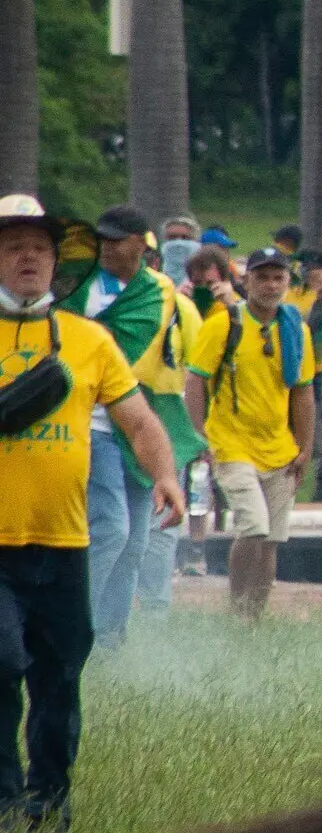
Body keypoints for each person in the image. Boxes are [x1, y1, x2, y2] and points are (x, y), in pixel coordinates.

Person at [1, 197, 181, 833]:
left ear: (56, 263)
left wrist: (164, 473)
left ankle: (48, 801)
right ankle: (3, 801)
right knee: (1, 662)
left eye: (40, 248)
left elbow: (137, 419)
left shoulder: (88, 339)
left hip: (64, 542)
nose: (28, 257)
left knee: (59, 677)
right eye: (14, 246)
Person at [64, 208, 179, 643]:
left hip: (129, 422)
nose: (107, 247)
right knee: (111, 528)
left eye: (117, 239)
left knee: (135, 541)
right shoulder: (78, 275)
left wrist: (86, 333)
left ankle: (110, 636)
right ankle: (76, 626)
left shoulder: (153, 292)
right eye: (103, 239)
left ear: (141, 244)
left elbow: (114, 348)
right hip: (88, 423)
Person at [184, 249, 318, 623]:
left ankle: (254, 621)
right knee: (254, 528)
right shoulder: (223, 324)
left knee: (273, 539)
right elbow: (195, 380)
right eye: (262, 277)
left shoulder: (296, 329)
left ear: (288, 283)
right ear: (246, 282)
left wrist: (305, 448)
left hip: (279, 448)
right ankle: (237, 608)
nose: (271, 285)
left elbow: (303, 391)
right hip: (232, 443)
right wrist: (200, 437)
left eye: (279, 278)